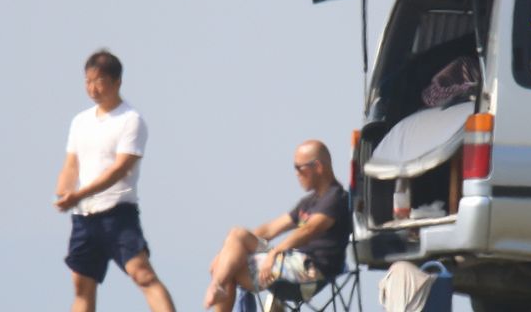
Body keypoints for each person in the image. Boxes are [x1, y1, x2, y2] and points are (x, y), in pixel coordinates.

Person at [54, 49, 175, 312]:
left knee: (142, 274)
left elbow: (120, 169)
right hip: (84, 217)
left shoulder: (131, 120)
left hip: (117, 213)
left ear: (116, 81)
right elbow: (71, 164)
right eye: (88, 81)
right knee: (82, 286)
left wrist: (80, 193)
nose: (93, 88)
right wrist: (64, 191)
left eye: (99, 81)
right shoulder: (80, 121)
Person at [204, 140, 351, 311]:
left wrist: (275, 252)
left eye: (299, 168)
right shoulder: (309, 202)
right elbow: (270, 230)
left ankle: (217, 286)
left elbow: (309, 230)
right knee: (235, 239)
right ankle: (217, 285)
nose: (296, 174)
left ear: (317, 167)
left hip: (310, 272)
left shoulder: (336, 198)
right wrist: (229, 250)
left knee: (229, 269)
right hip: (291, 262)